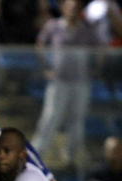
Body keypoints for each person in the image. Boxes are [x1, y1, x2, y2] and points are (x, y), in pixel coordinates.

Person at [31, 0, 102, 165]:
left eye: (76, 8)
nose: (73, 11)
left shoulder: (87, 29)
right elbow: (39, 45)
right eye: (70, 8)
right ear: (63, 9)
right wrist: (46, 68)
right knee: (51, 116)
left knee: (77, 119)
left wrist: (94, 69)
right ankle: (38, 152)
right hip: (59, 81)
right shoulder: (53, 26)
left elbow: (99, 50)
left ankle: (71, 156)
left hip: (80, 82)